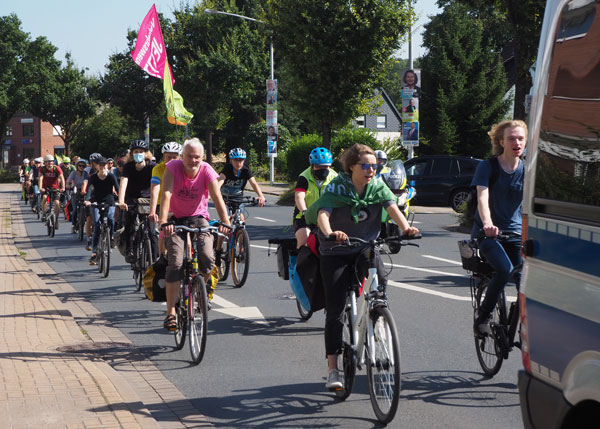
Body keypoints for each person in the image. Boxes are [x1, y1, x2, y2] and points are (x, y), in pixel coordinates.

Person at [304, 143, 419, 389]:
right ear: (352, 167)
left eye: (374, 166)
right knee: (335, 310)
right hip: (334, 250)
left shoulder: (377, 185)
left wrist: (405, 228)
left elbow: (392, 207)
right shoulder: (338, 186)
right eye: (365, 166)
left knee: (380, 286)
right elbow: (323, 214)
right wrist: (330, 232)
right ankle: (333, 370)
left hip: (364, 247)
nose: (371, 170)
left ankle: (377, 318)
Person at [158, 138, 231, 331]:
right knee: (176, 262)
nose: (193, 160)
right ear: (182, 156)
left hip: (199, 217)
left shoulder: (207, 170)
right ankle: (171, 312)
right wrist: (164, 222)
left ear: (202, 157)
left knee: (207, 258)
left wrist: (226, 223)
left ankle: (199, 289)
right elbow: (166, 194)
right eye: (189, 156)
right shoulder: (173, 167)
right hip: (175, 219)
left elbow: (217, 197)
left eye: (197, 157)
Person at [472, 120, 527, 338]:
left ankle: (521, 319)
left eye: (521, 138)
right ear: (501, 142)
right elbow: (482, 197)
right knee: (504, 270)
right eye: (512, 138)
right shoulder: (489, 166)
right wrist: (487, 223)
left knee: (526, 278)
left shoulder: (527, 168)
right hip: (488, 234)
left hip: (514, 233)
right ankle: (483, 316)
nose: (517, 142)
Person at [118, 140, 157, 262]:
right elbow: (123, 183)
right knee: (129, 223)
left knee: (152, 231)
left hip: (149, 199)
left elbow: (157, 185)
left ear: (146, 153)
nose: (138, 154)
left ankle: (155, 260)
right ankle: (130, 250)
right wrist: (121, 201)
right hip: (132, 199)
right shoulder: (128, 167)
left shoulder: (152, 166)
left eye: (141, 152)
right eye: (136, 152)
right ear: (131, 153)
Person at [292, 147, 337, 249]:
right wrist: (304, 211)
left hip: (328, 217)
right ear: (312, 166)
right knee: (304, 240)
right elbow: (299, 196)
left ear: (330, 166)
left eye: (325, 167)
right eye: (318, 166)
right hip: (304, 217)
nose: (322, 170)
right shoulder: (304, 177)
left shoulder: (335, 177)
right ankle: (294, 263)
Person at [84, 156, 119, 265]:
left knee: (110, 219)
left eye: (104, 165)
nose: (103, 167)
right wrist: (87, 200)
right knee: (97, 224)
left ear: (107, 166)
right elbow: (89, 189)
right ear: (96, 166)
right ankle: (94, 252)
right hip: (96, 201)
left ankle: (111, 236)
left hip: (110, 201)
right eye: (100, 165)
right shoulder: (93, 177)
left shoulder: (111, 176)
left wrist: (121, 200)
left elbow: (117, 188)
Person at [149, 142, 182, 257]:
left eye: (174, 157)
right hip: (161, 203)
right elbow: (155, 189)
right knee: (163, 232)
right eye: (168, 157)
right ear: (163, 157)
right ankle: (162, 258)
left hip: (179, 205)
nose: (172, 160)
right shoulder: (158, 169)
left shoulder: (183, 168)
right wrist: (152, 211)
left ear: (179, 157)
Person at [38, 154, 66, 228]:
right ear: (45, 162)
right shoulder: (42, 169)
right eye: (48, 162)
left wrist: (63, 187)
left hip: (55, 188)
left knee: (57, 203)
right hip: (45, 187)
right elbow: (40, 178)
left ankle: (56, 220)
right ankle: (44, 213)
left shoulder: (57, 168)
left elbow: (62, 177)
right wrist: (40, 187)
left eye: (51, 162)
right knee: (44, 198)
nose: (50, 163)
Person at [66, 158, 87, 233]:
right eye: (80, 165)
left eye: (83, 166)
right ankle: (73, 225)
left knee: (88, 208)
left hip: (84, 192)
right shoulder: (73, 173)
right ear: (77, 166)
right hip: (75, 191)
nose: (81, 167)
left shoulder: (86, 173)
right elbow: (68, 181)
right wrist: (68, 185)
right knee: (75, 209)